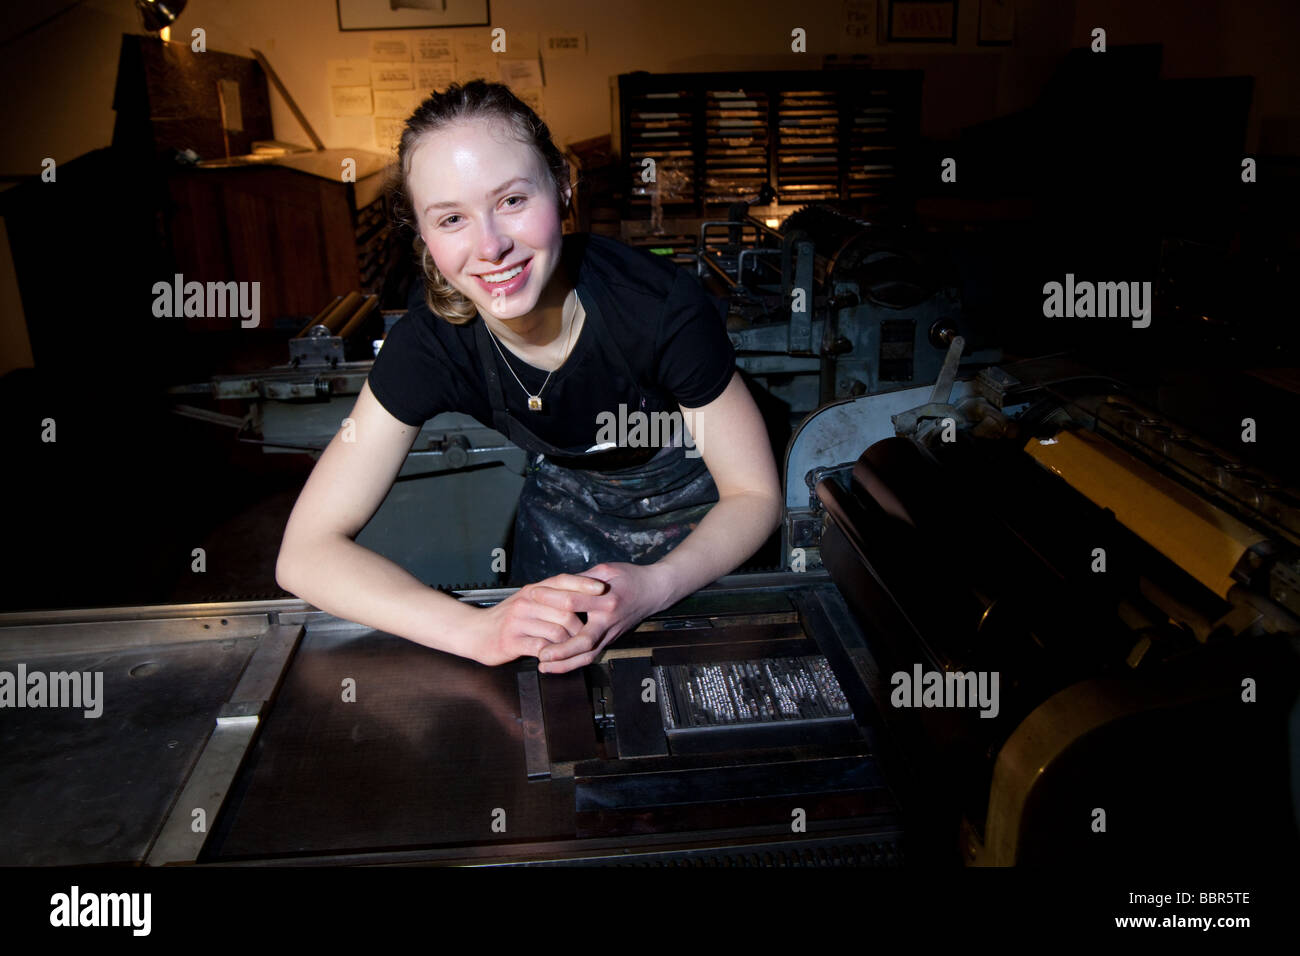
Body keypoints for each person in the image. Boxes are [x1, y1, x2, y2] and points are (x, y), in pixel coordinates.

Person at [276, 81, 782, 674]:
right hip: (565, 500)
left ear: (562, 188)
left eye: (513, 200)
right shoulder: (431, 342)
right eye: (451, 218)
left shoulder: (657, 308)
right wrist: (476, 631)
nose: (490, 246)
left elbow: (754, 495)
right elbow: (305, 554)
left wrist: (657, 585)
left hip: (699, 512)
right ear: (422, 233)